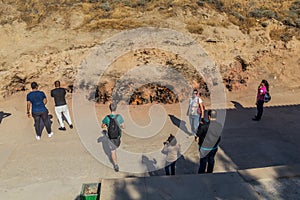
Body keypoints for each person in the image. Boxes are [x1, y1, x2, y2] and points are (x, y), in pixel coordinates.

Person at [101, 102, 125, 172]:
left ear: (110, 109)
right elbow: (123, 126)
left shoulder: (107, 117)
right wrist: (119, 126)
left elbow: (102, 126)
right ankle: (117, 146)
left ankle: (116, 165)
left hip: (110, 137)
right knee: (116, 147)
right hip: (117, 137)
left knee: (113, 152)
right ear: (116, 108)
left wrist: (107, 125)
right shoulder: (119, 117)